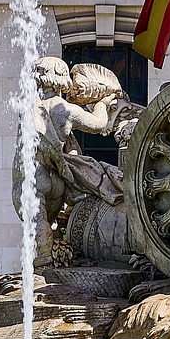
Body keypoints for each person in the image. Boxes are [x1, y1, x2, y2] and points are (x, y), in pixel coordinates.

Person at [13, 57, 123, 265]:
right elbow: (100, 125)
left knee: (37, 223)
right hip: (59, 180)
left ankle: (43, 265)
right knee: (54, 225)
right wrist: (102, 104)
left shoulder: (27, 107)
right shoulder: (67, 110)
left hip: (35, 176)